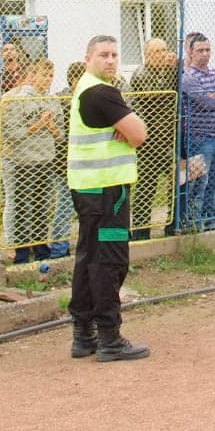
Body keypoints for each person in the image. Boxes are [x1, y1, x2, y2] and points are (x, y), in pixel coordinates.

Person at [67, 34, 150, 362]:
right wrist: (129, 131)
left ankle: (83, 334)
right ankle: (109, 337)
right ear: (88, 58)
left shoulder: (85, 89)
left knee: (88, 257)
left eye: (116, 54)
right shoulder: (101, 92)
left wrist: (127, 128)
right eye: (104, 54)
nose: (111, 60)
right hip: (107, 191)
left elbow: (133, 130)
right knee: (109, 260)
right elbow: (141, 133)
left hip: (89, 187)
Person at [1, 59, 63, 264]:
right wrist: (37, 125)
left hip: (46, 159)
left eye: (50, 76)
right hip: (24, 161)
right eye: (44, 75)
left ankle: (41, 249)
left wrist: (50, 125)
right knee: (22, 207)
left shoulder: (53, 100)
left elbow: (60, 134)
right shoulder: (18, 99)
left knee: (42, 206)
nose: (47, 80)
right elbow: (12, 133)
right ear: (33, 75)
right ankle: (21, 252)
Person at [179, 33, 215, 231]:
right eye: (200, 50)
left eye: (207, 50)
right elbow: (206, 102)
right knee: (198, 183)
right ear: (191, 52)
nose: (205, 54)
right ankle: (193, 224)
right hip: (199, 139)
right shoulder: (189, 78)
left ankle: (212, 222)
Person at [127, 39, 179, 239]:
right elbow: (157, 96)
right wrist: (172, 71)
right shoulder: (141, 74)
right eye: (158, 51)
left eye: (165, 50)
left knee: (177, 183)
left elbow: (176, 90)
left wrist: (175, 68)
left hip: (168, 139)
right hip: (149, 142)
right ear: (147, 55)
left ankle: (172, 226)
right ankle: (141, 232)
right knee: (146, 189)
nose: (163, 55)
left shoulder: (168, 70)